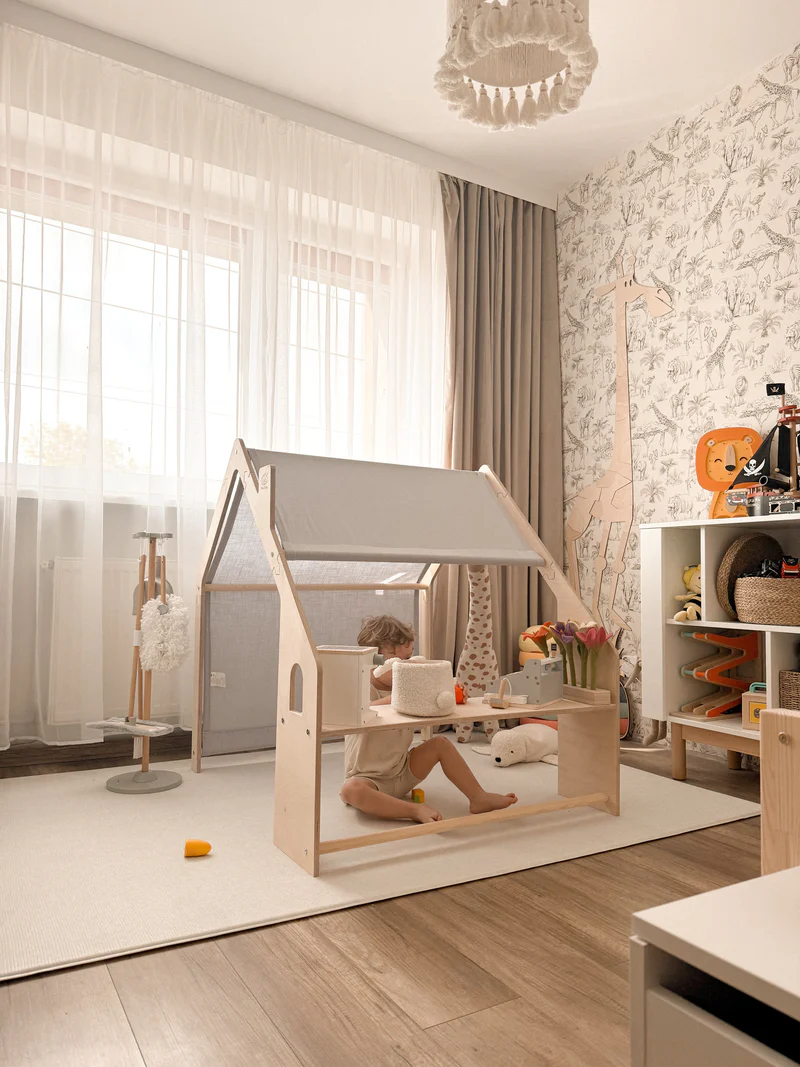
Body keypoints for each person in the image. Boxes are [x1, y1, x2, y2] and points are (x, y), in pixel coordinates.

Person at [340, 614, 518, 824]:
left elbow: (437, 703)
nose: (407, 667)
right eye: (399, 663)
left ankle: (478, 797)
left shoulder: (410, 688)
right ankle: (412, 810)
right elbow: (363, 710)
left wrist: (452, 695)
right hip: (368, 780)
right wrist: (397, 698)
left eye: (409, 659)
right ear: (373, 662)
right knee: (350, 790)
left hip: (402, 772)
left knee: (440, 744)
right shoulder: (362, 687)